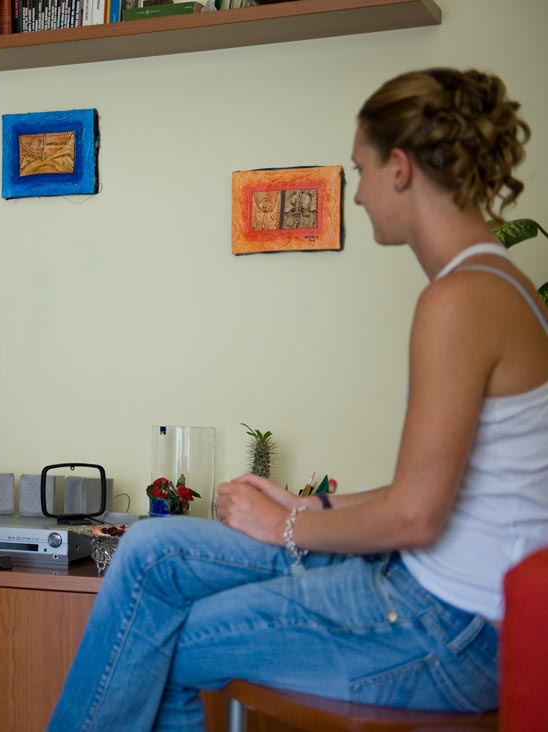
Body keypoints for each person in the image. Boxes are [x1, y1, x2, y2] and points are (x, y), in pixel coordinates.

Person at [48, 67, 548, 731]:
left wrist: (282, 526)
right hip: (437, 597)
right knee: (150, 550)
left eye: (361, 170)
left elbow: (416, 516)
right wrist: (310, 506)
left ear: (400, 169)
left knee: (158, 642)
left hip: (444, 627)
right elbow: (439, 489)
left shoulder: (458, 301)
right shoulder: (502, 285)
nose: (358, 194)